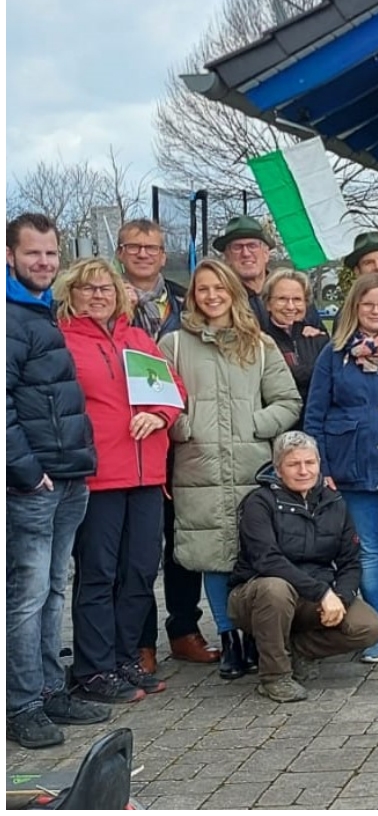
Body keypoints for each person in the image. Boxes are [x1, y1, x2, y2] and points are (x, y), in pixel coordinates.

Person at [159, 259, 302, 681]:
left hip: (250, 467)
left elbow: (287, 401)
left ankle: (255, 634)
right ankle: (229, 639)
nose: (211, 296)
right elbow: (162, 401)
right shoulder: (175, 345)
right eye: (202, 289)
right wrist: (185, 426)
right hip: (197, 466)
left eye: (218, 288)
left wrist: (255, 425)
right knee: (212, 556)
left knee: (252, 552)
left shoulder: (259, 345)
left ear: (233, 292)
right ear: (193, 296)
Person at [57, 258, 186, 705]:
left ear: (119, 295)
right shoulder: (63, 343)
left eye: (105, 289)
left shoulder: (138, 340)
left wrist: (159, 413)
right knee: (98, 574)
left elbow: (175, 392)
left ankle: (124, 657)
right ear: (70, 294)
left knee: (138, 572)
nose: (97, 295)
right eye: (87, 289)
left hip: (147, 476)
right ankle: (93, 667)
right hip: (98, 479)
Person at [7, 213, 108, 749]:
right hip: (33, 484)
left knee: (51, 592)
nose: (43, 263)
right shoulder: (10, 317)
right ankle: (20, 705)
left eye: (50, 254)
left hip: (68, 477)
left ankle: (48, 690)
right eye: (32, 254)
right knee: (24, 597)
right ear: (10, 255)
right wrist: (27, 472)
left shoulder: (38, 313)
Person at [117, 220, 219, 671]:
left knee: (182, 545)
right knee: (137, 552)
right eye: (134, 247)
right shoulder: (104, 300)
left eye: (152, 248)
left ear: (164, 254)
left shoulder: (185, 299)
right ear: (121, 252)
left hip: (183, 439)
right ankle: (141, 641)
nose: (143, 254)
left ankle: (184, 629)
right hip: (130, 442)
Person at [229, 432, 378, 702]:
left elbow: (350, 561)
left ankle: (294, 650)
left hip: (312, 594)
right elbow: (267, 560)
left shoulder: (335, 503)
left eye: (310, 463)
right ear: (278, 469)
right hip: (258, 595)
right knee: (275, 589)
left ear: (319, 463)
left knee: (369, 627)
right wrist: (323, 593)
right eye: (293, 464)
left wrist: (342, 598)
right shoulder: (259, 503)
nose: (304, 470)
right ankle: (274, 678)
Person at [305, 273, 378, 662]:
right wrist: (322, 465)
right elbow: (315, 415)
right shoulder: (334, 354)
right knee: (371, 554)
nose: (375, 311)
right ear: (354, 308)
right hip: (351, 470)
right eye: (367, 304)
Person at [213, 216, 322, 331]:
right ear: (227, 257)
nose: (245, 253)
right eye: (237, 247)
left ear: (266, 253)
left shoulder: (293, 289)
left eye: (252, 246)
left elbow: (323, 339)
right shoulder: (219, 298)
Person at [261, 269, 330, 407]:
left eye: (297, 299)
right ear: (268, 304)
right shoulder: (260, 342)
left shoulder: (320, 340)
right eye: (282, 299)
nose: (290, 306)